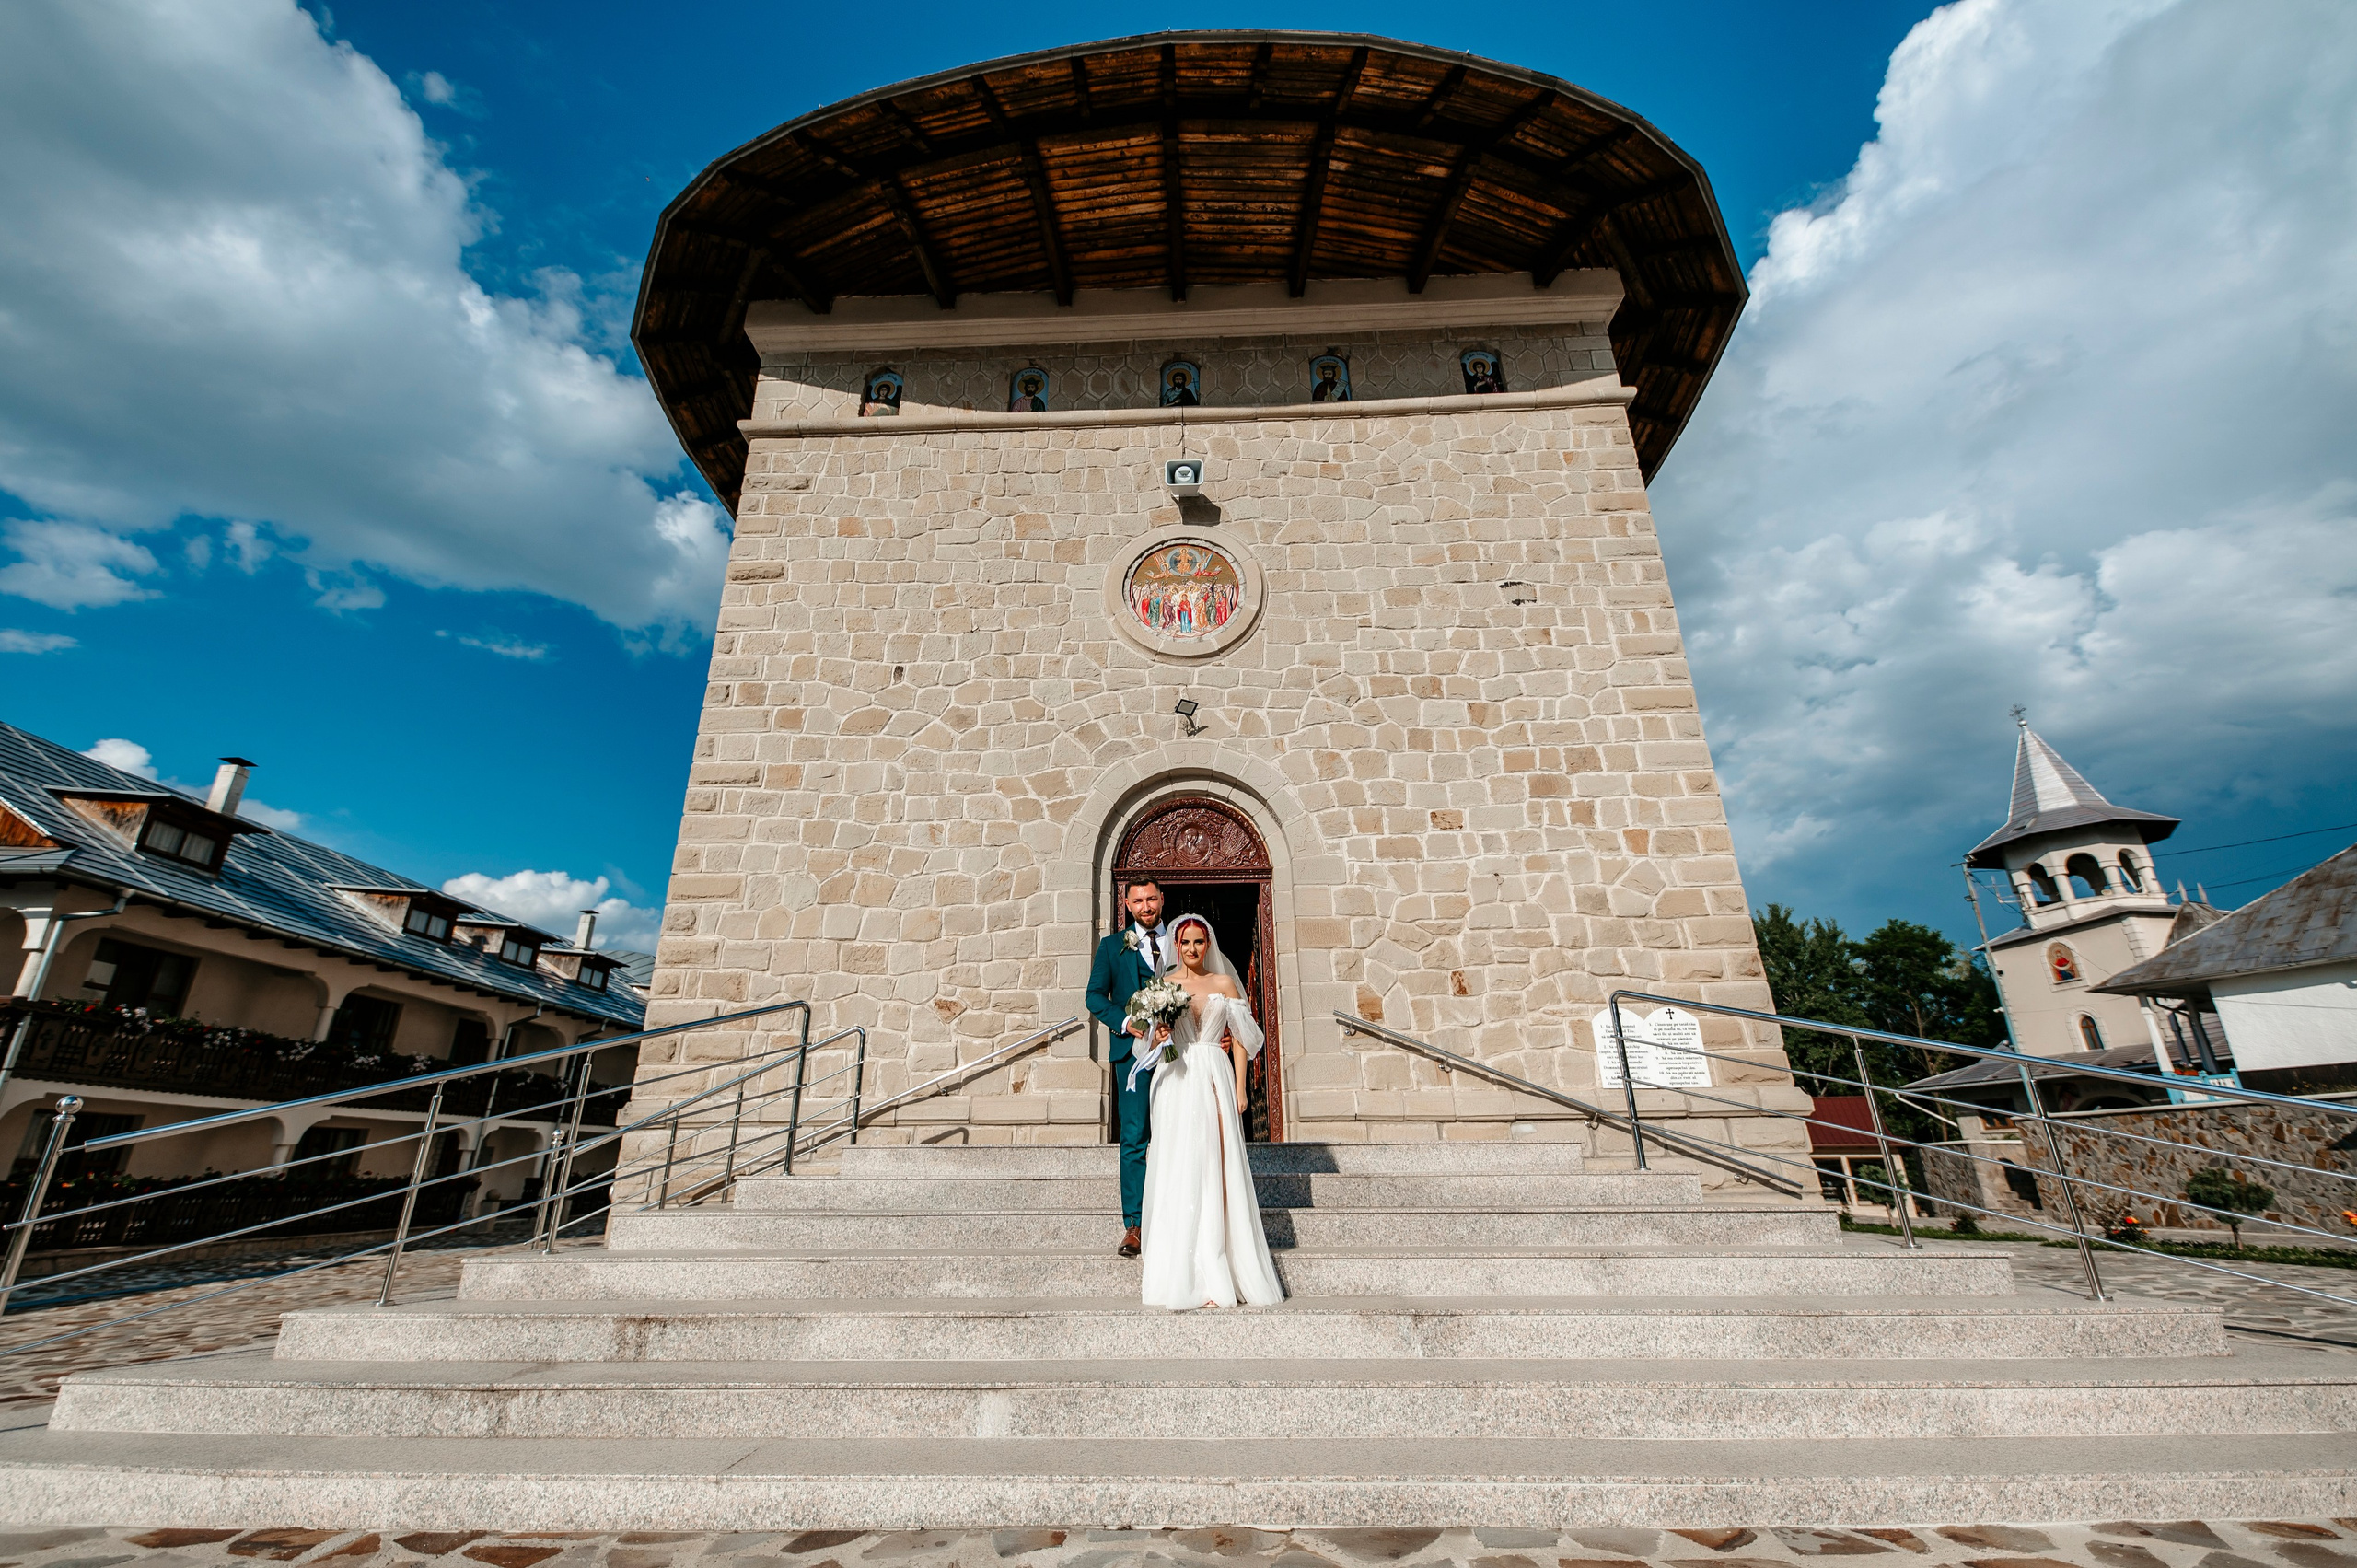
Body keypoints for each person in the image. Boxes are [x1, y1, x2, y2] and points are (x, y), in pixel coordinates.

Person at [1137, 914, 1284, 1310]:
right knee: (1180, 1163)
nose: (1192, 949)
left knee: (1215, 1162)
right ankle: (1182, 1271)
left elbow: (1242, 1038)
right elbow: (1146, 1042)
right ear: (1176, 945)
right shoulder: (1162, 986)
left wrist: (1241, 1088)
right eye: (1185, 942)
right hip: (1176, 1076)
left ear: (1208, 944)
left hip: (1215, 1075)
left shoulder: (1223, 984)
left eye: (1198, 942)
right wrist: (1159, 1034)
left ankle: (1219, 1266)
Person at [1083, 879, 1169, 1256]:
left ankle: (1177, 1219)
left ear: (1162, 899)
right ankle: (1134, 1225)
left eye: (1151, 899)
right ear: (1127, 903)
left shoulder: (1181, 940)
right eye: (1138, 901)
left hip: (1178, 1051)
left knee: (1178, 1132)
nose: (1146, 906)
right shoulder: (1112, 946)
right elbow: (1093, 997)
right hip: (1132, 1055)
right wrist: (1124, 1021)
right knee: (1134, 1137)